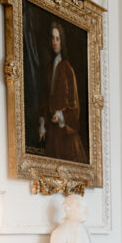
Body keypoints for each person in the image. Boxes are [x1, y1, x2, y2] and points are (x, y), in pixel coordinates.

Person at [39, 21, 88, 164]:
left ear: (62, 41)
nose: (54, 42)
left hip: (66, 133)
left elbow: (74, 105)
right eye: (52, 38)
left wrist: (61, 115)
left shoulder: (67, 69)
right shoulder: (48, 69)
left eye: (57, 38)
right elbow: (44, 98)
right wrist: (42, 124)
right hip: (52, 134)